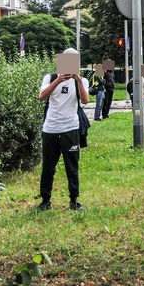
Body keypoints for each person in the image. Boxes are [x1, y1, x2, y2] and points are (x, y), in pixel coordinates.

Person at [37, 48, 89, 212]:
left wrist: (78, 80)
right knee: (48, 167)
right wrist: (58, 81)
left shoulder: (81, 80)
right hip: (50, 128)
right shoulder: (50, 78)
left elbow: (85, 100)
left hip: (70, 128)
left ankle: (74, 200)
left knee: (72, 166)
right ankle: (45, 201)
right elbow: (41, 96)